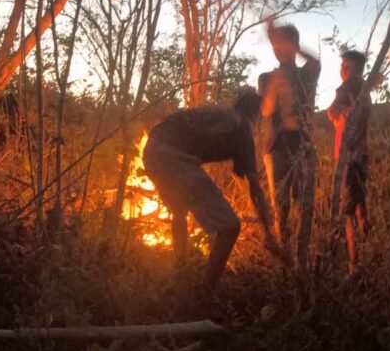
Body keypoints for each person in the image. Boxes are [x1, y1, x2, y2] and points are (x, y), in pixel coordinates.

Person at [142, 90, 283, 289]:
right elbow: (255, 188)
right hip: (173, 157)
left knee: (179, 212)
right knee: (230, 227)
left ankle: (180, 278)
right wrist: (269, 234)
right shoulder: (241, 127)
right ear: (256, 116)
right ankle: (205, 293)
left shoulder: (221, 113)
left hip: (150, 151)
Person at [258, 21, 320, 271]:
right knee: (280, 205)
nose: (277, 50)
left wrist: (292, 46)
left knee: (305, 204)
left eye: (281, 45)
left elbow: (315, 62)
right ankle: (284, 260)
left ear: (292, 46)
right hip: (277, 148)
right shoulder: (267, 78)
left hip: (302, 145)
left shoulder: (306, 73)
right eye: (274, 45)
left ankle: (301, 260)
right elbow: (266, 114)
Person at [327, 50, 371, 276]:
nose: (341, 70)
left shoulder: (346, 89)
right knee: (361, 205)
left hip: (348, 159)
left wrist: (337, 116)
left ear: (350, 69)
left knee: (346, 211)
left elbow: (331, 113)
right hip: (362, 156)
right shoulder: (365, 91)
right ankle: (368, 251)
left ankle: (354, 266)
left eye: (344, 66)